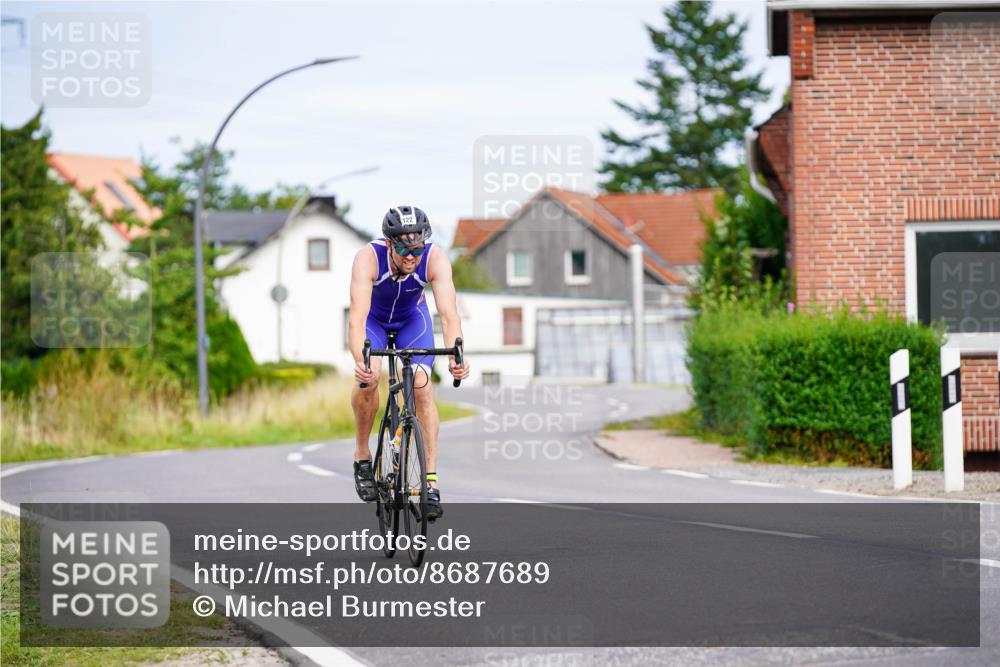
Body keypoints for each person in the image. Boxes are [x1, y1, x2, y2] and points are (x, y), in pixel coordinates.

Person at [348, 205, 470, 521]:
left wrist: (456, 355)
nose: (411, 256)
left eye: (416, 248)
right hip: (373, 323)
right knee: (370, 375)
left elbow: (448, 314)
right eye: (404, 249)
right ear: (389, 243)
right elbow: (357, 318)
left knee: (422, 386)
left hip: (411, 322)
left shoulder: (435, 258)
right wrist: (361, 360)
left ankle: (430, 482)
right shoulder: (368, 257)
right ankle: (363, 454)